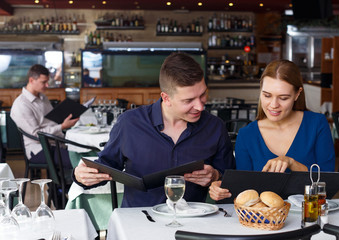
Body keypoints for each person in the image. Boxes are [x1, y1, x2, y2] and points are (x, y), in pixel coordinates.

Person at [73, 52, 235, 207]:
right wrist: (81, 176)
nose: (200, 106)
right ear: (166, 98)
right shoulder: (130, 123)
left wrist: (215, 176)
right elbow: (105, 167)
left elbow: (229, 179)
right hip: (138, 221)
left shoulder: (215, 127)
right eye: (188, 100)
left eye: (203, 95)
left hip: (192, 222)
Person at [209, 59, 335, 201]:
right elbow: (244, 191)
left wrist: (292, 163)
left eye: (283, 98)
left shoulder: (317, 124)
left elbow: (328, 185)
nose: (273, 105)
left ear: (297, 94)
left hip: (310, 215)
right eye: (267, 95)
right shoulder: (247, 135)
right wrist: (222, 188)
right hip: (264, 220)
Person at [11, 64, 79, 170]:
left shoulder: (43, 97)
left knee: (86, 155)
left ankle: (63, 185)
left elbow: (52, 121)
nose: (47, 85)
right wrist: (61, 127)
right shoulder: (21, 104)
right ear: (31, 80)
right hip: (39, 149)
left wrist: (64, 122)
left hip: (56, 143)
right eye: (43, 82)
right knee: (78, 162)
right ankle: (63, 186)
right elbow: (36, 135)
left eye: (47, 82)